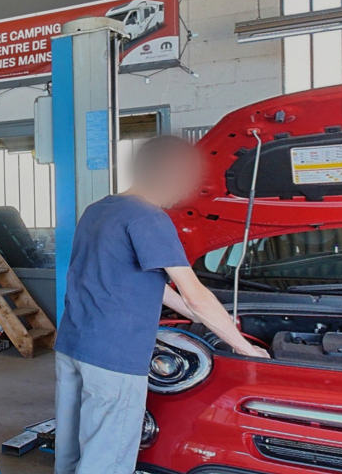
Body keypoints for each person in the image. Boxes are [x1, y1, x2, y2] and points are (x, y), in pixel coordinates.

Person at [54, 135, 269, 474]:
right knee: (106, 458)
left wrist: (199, 316)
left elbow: (152, 283)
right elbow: (196, 293)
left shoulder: (98, 210)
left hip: (73, 346)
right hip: (115, 356)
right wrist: (244, 347)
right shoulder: (148, 218)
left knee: (71, 448)